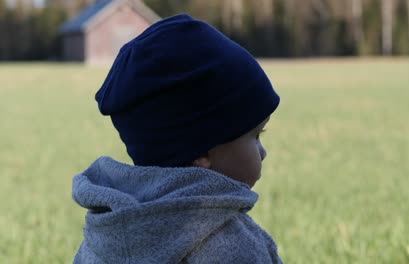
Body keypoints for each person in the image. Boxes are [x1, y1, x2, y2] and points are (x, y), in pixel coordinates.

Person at [72, 14, 282, 263]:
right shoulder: (235, 246)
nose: (263, 151)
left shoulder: (103, 235)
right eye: (255, 136)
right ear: (203, 152)